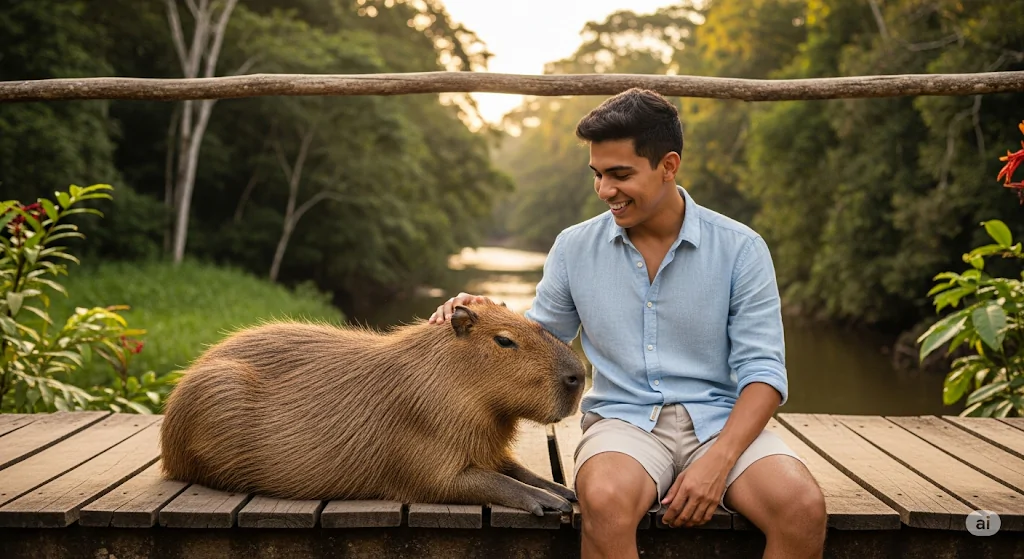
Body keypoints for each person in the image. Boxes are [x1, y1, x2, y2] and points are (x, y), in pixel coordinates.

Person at [428, 88, 826, 559]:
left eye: (620, 175)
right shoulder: (574, 247)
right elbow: (538, 334)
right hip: (624, 424)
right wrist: (481, 313)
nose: (605, 191)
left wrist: (717, 464)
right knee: (605, 501)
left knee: (801, 507)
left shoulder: (741, 249)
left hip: (722, 425)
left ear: (668, 166)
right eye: (597, 175)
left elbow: (764, 375)